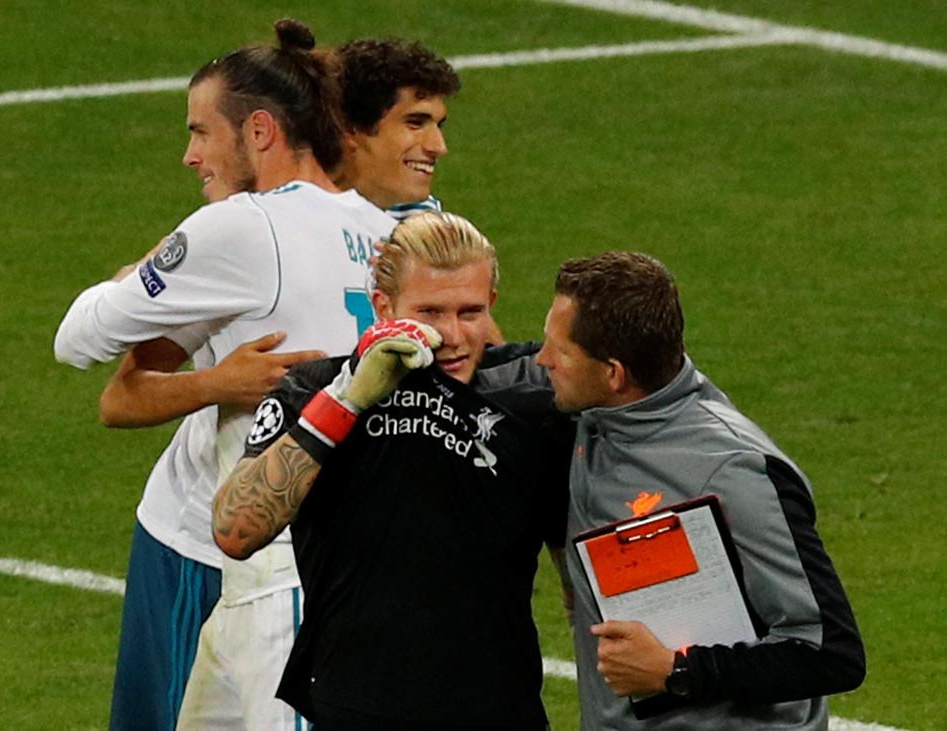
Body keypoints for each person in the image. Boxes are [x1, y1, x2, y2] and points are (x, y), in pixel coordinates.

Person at [53, 20, 398, 730]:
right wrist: (215, 381)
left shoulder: (240, 226)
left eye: (201, 132)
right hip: (332, 549)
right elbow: (125, 392)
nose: (188, 155)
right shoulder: (386, 230)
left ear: (261, 131)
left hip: (217, 548)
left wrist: (135, 275)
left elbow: (76, 338)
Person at [213, 211, 572, 730]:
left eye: (469, 312)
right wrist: (349, 397)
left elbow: (577, 576)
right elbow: (235, 528)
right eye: (430, 311)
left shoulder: (535, 398)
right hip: (355, 711)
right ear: (383, 307)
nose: (451, 335)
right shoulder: (317, 390)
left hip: (499, 713)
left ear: (492, 304)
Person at [534, 251, 866, 730]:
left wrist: (678, 671)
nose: (542, 361)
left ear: (614, 373)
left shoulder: (733, 472)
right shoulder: (594, 415)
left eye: (557, 352)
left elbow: (830, 652)